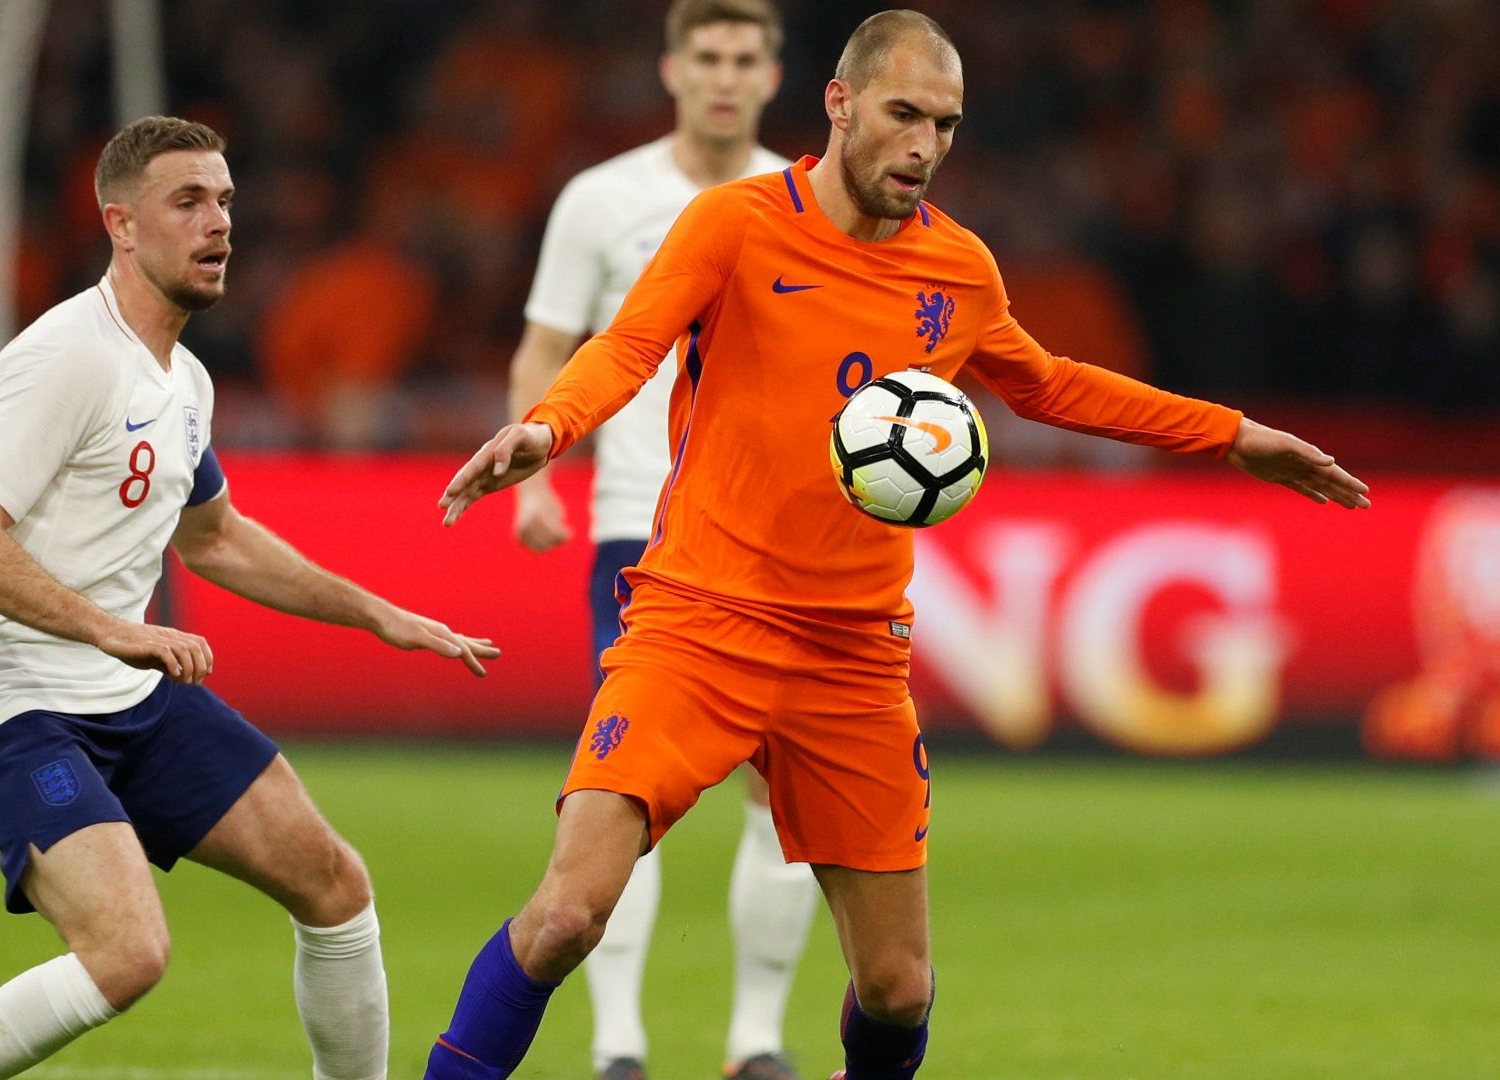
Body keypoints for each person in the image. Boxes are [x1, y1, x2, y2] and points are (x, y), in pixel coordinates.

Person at [424, 11, 1371, 1080]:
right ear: (839, 104)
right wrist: (548, 428)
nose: (924, 147)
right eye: (904, 115)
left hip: (852, 654)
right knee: (565, 917)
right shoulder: (733, 225)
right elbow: (629, 344)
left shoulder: (959, 270)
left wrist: (1232, 435)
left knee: (898, 988)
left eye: (947, 125)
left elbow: (1049, 383)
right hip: (698, 619)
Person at [0, 116, 499, 1080]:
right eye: (188, 203)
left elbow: (215, 539)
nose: (218, 223)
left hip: (125, 693)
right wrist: (112, 630)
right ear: (120, 225)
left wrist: (379, 614)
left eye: (223, 201)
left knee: (335, 885)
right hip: (14, 701)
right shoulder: (67, 357)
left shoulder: (185, 380)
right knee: (128, 956)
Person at [506, 3, 816, 1078]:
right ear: (672, 70)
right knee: (624, 794)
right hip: (643, 529)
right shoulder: (602, 200)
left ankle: (754, 1044)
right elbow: (548, 345)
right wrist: (537, 470)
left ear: (774, 74)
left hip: (778, 546)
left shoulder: (808, 202)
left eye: (744, 59)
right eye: (708, 59)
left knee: (784, 799)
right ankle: (619, 1045)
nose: (725, 78)